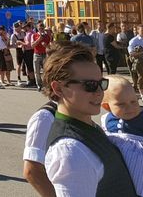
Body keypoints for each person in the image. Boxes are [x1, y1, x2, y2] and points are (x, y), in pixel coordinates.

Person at [43, 43, 136, 195]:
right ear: (59, 88)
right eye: (90, 85)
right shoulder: (70, 150)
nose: (99, 92)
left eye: (101, 83)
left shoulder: (88, 127)